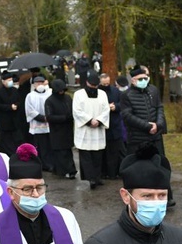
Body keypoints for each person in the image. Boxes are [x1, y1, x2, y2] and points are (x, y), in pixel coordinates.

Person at [121, 67, 175, 206]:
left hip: (155, 137)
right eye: (140, 79)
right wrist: (147, 126)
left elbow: (159, 108)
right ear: (133, 80)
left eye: (145, 78)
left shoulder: (153, 90)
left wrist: (159, 124)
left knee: (160, 165)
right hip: (138, 138)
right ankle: (137, 197)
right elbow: (127, 116)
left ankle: (166, 197)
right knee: (137, 168)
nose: (143, 81)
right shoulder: (127, 95)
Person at [73, 70, 110, 189]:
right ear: (87, 83)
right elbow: (77, 111)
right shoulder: (79, 94)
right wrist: (89, 120)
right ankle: (91, 178)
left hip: (98, 129)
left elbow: (106, 110)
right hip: (85, 129)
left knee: (98, 155)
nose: (93, 87)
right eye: (91, 85)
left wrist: (98, 121)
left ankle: (97, 177)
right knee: (86, 155)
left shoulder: (103, 94)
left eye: (95, 86)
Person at [44, 79, 77, 179]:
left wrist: (71, 116)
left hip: (67, 129)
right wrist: (64, 117)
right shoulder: (49, 101)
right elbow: (49, 116)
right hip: (57, 130)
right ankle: (64, 170)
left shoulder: (67, 98)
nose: (61, 92)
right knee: (60, 152)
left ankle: (71, 170)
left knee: (68, 151)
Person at [24, 75, 53, 172]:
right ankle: (42, 164)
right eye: (37, 83)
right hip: (37, 125)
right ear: (34, 85)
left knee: (49, 146)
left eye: (41, 82)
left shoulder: (49, 93)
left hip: (49, 124)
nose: (40, 84)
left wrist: (49, 116)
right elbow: (29, 110)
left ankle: (50, 164)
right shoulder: (30, 96)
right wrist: (42, 118)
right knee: (41, 146)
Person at [98, 73, 124, 180]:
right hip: (102, 125)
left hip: (114, 124)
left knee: (115, 151)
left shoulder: (116, 91)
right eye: (104, 83)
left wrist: (115, 107)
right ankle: (104, 172)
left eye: (107, 83)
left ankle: (115, 172)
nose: (106, 85)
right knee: (104, 152)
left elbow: (122, 104)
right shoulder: (98, 92)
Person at [0, 71, 24, 156]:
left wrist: (16, 105)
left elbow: (19, 101)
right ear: (3, 81)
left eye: (11, 79)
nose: (10, 81)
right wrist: (9, 107)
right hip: (4, 121)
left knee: (16, 140)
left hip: (15, 120)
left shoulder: (14, 90)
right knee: (6, 141)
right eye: (8, 80)